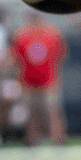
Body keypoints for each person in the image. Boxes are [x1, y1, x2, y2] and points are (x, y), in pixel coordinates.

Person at [10, 10, 69, 146]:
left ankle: (58, 139)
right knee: (31, 112)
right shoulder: (20, 35)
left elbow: (61, 55)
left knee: (52, 110)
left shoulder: (52, 34)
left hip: (49, 81)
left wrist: (55, 74)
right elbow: (15, 59)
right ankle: (32, 140)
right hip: (28, 81)